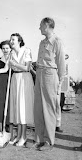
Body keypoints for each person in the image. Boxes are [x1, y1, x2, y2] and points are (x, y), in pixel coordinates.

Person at [33, 17, 66, 151]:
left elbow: (61, 65)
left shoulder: (57, 42)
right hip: (39, 74)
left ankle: (48, 141)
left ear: (47, 26)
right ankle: (39, 139)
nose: (39, 28)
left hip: (50, 75)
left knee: (49, 109)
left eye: (41, 26)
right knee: (38, 109)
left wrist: (59, 84)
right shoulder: (42, 42)